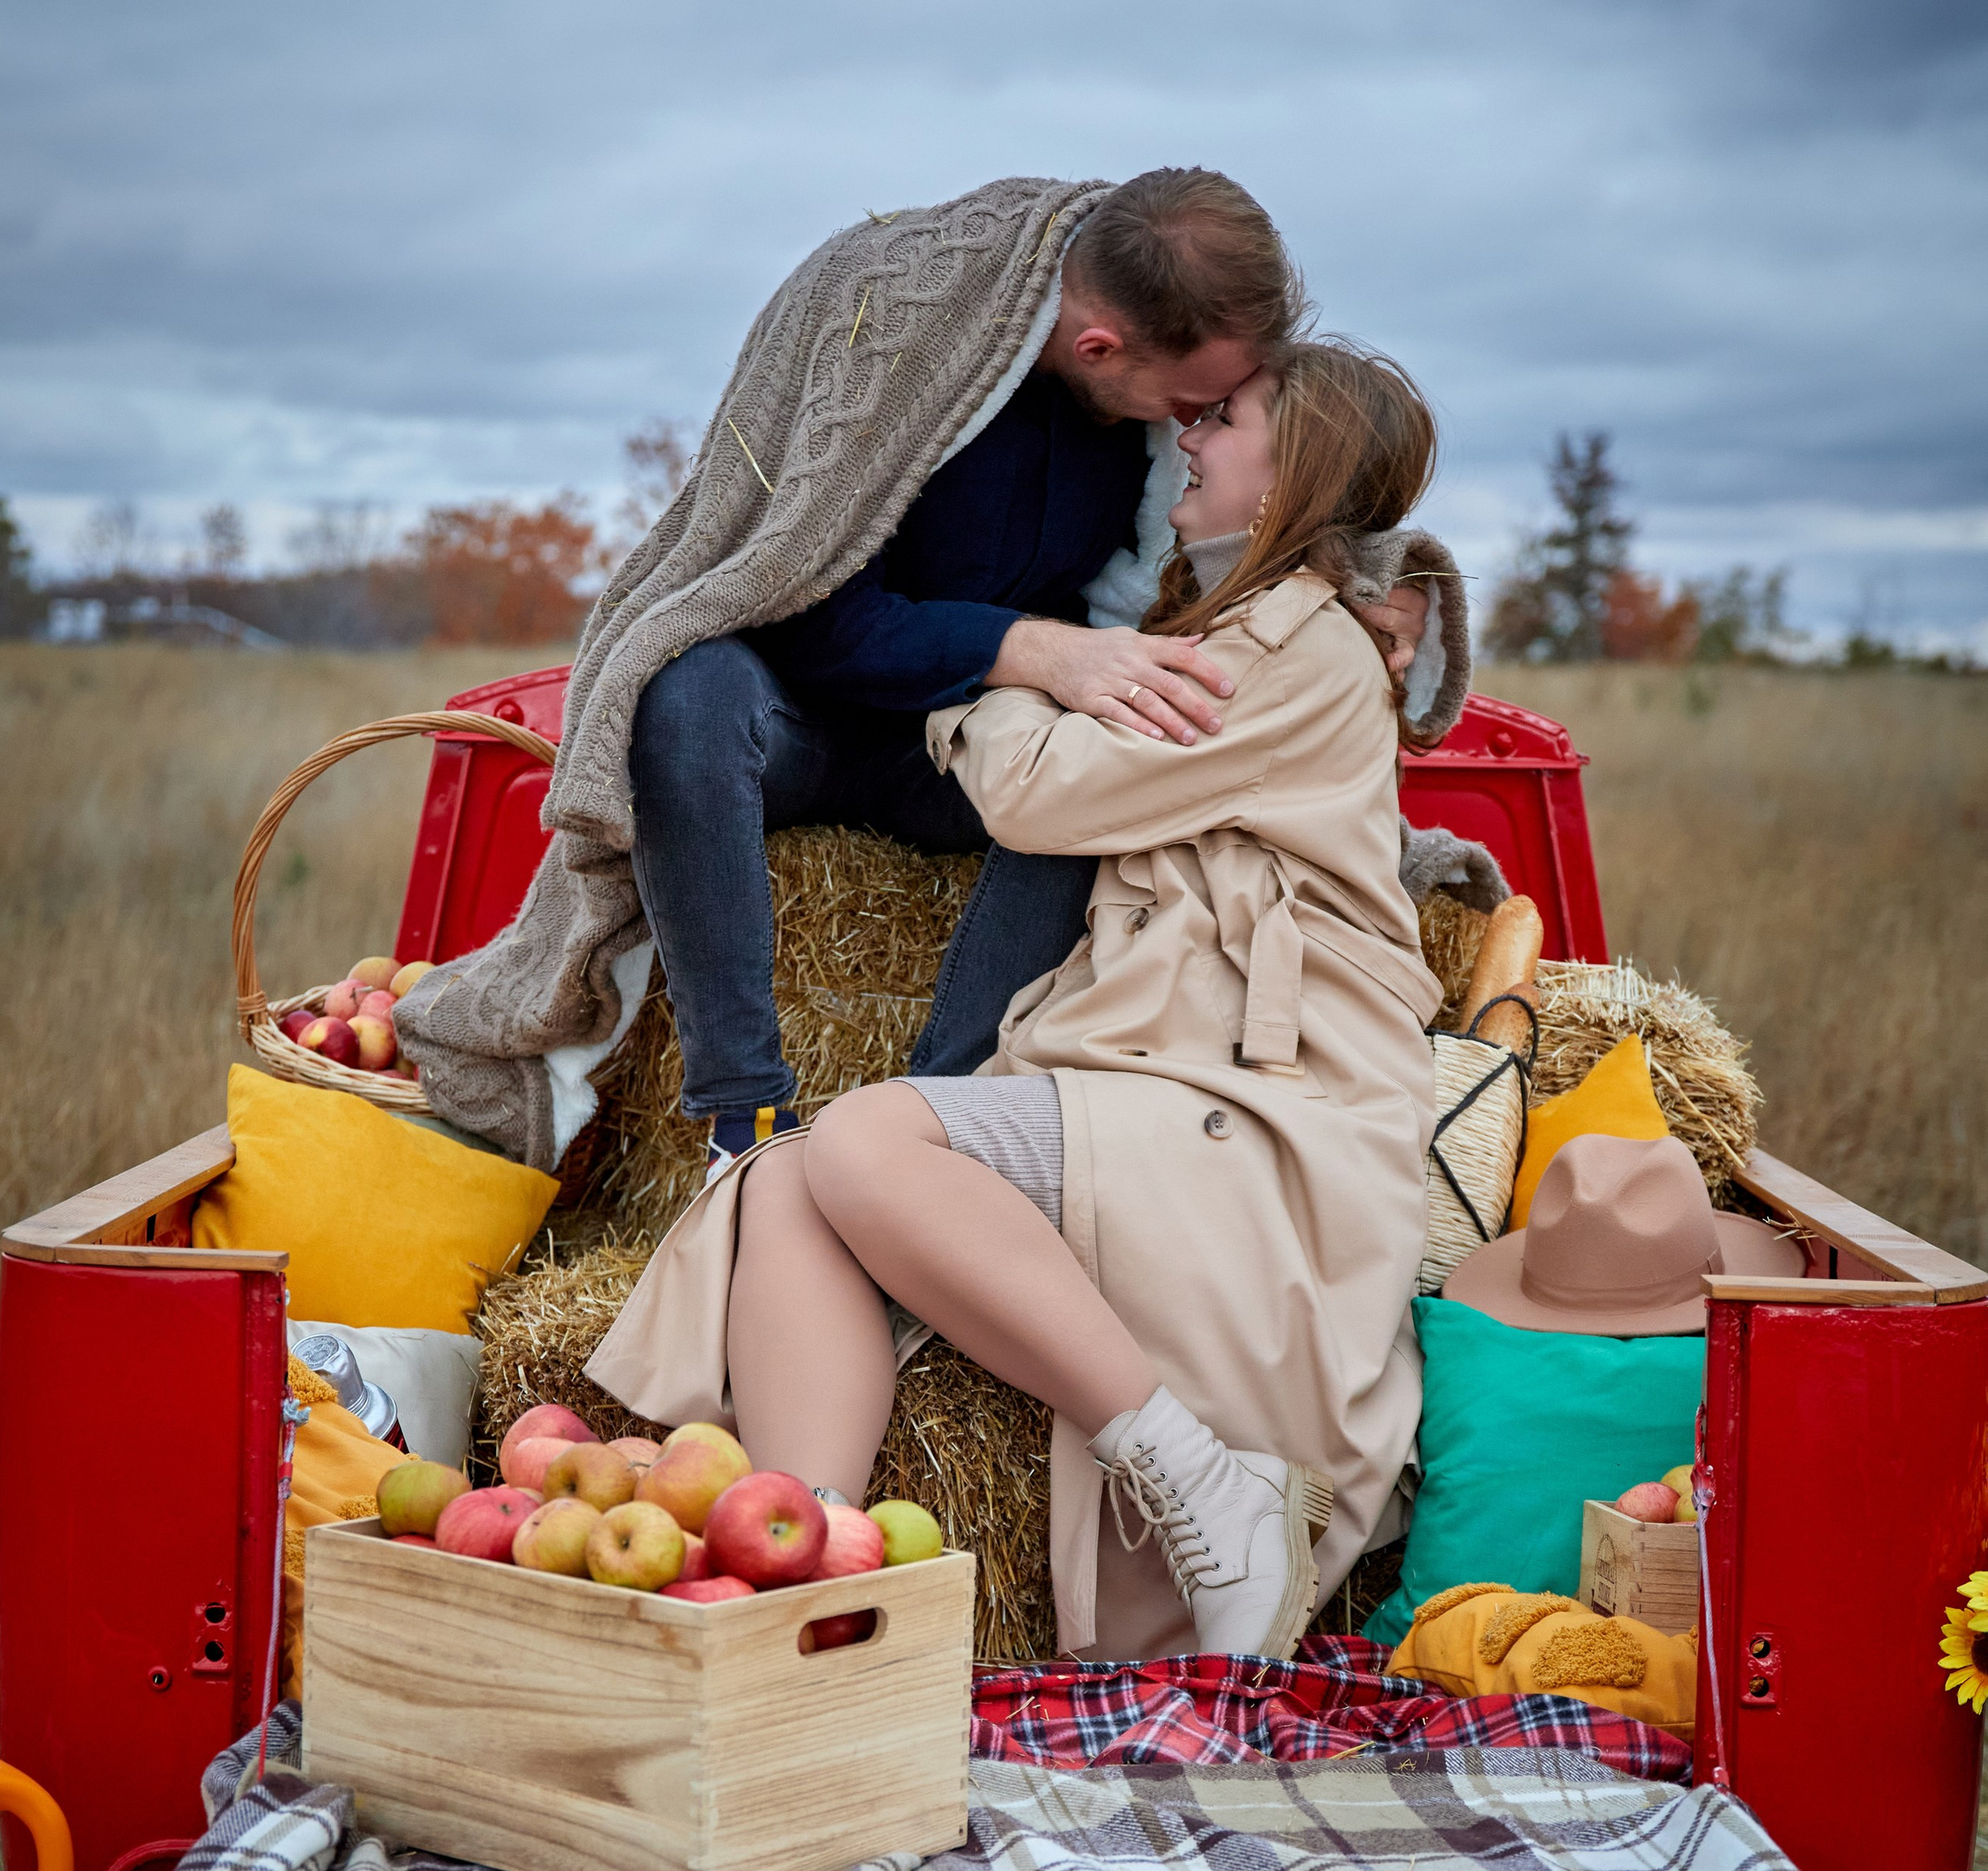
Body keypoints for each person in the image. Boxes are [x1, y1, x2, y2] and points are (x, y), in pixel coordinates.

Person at [590, 341, 1450, 1663]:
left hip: (1263, 1110)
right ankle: (809, 1584)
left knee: (871, 1140)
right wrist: (1044, 675)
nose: (1192, 440)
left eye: (1224, 420)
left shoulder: (1293, 650)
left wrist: (979, 677)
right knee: (782, 1182)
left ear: (1300, 470)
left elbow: (1047, 793)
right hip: (1158, 1082)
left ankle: (1205, 1483)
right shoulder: (1205, 632)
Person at [627, 168, 1303, 1170]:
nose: (1194, 426)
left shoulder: (1153, 414)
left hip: (972, 752)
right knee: (687, 693)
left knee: (1111, 758)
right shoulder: (885, 322)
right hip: (790, 722)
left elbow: (1307, 471)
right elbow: (800, 604)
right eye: (1189, 401)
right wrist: (1033, 647)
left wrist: (1397, 583)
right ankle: (747, 1124)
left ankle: (932, 1128)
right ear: (1099, 347)